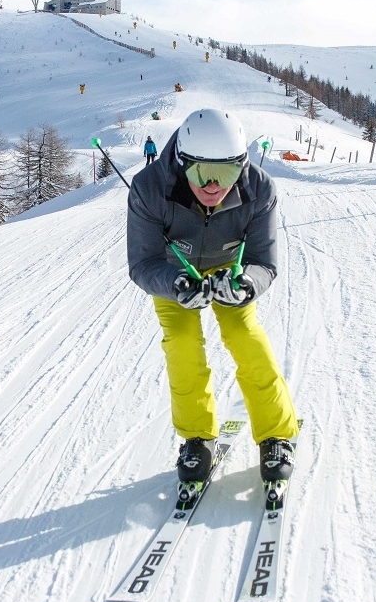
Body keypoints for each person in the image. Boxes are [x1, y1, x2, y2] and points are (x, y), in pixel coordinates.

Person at [127, 108, 298, 488]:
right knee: (183, 343)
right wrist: (177, 286)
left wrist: (245, 286)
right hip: (174, 271)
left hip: (230, 269)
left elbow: (264, 262)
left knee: (244, 335)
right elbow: (143, 262)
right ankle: (197, 438)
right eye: (202, 173)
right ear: (181, 161)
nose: (212, 186)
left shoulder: (259, 189)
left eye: (226, 173)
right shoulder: (150, 188)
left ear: (241, 165)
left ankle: (276, 434)